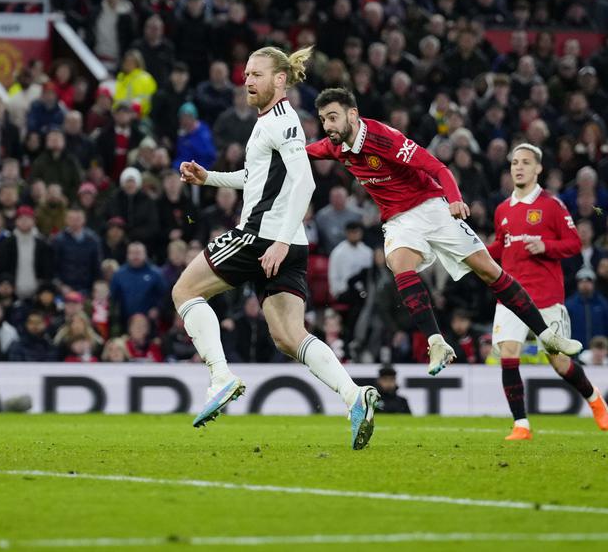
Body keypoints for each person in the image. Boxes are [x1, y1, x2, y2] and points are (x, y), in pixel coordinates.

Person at [176, 46, 379, 449]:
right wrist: (209, 178)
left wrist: (280, 241)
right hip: (286, 241)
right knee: (288, 336)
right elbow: (255, 178)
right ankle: (354, 396)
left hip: (261, 237)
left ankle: (220, 375)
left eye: (256, 74)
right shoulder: (269, 121)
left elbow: (306, 182)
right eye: (246, 74)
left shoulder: (283, 122)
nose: (247, 81)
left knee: (184, 290)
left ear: (280, 80)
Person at [308, 88, 582, 378]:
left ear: (352, 114)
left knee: (489, 271)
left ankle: (546, 334)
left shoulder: (384, 138)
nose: (328, 126)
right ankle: (437, 342)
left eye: (333, 118)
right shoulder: (335, 146)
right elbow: (306, 151)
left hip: (432, 207)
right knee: (400, 266)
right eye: (324, 119)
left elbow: (437, 167)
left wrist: (453, 198)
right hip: (400, 221)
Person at [486, 144, 608, 438]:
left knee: (559, 361)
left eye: (525, 162)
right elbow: (499, 248)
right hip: (511, 295)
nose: (518, 167)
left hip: (545, 297)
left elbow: (574, 243)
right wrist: (471, 254)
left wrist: (546, 246)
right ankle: (521, 425)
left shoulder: (552, 205)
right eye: (515, 162)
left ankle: (595, 399)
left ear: (538, 168)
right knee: (509, 353)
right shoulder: (502, 210)